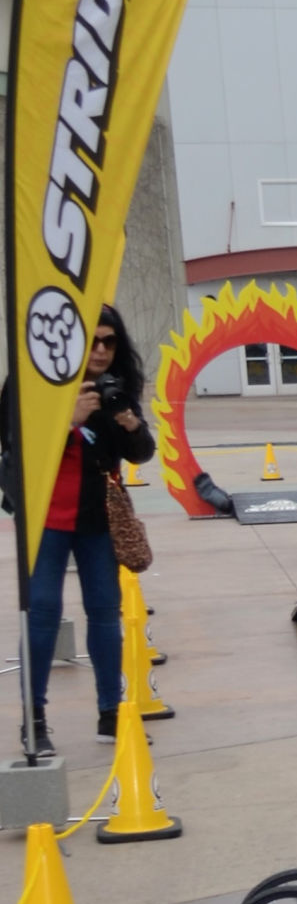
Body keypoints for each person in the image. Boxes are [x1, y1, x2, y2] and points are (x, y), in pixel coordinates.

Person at [3, 303, 155, 755]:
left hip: (98, 519)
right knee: (43, 612)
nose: (103, 351)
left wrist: (130, 424)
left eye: (110, 341)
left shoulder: (118, 388)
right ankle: (34, 719)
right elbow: (13, 443)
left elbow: (140, 453)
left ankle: (112, 712)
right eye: (93, 341)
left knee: (105, 614)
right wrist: (67, 419)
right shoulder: (30, 382)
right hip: (46, 515)